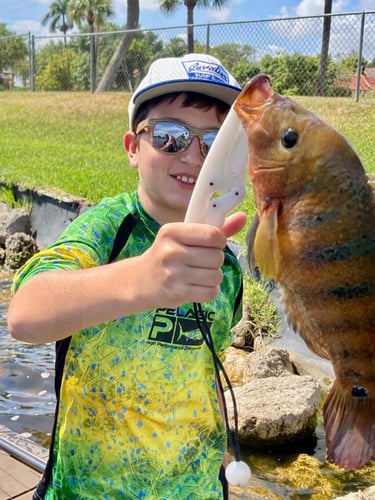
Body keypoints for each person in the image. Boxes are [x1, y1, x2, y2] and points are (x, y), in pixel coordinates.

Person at [8, 53, 247, 499]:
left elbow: (206, 362)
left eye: (215, 142)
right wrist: (141, 279)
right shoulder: (107, 230)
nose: (194, 155)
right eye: (170, 136)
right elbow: (25, 313)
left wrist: (223, 452)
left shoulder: (224, 263)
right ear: (133, 148)